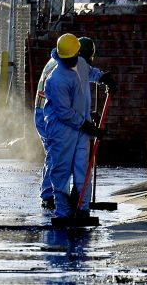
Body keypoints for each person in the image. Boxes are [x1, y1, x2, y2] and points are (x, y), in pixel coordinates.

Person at [42, 33, 116, 222]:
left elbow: (90, 72)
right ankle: (63, 212)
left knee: (83, 169)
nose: (71, 61)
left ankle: (82, 210)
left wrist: (103, 77)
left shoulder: (80, 64)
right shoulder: (56, 79)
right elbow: (65, 113)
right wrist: (88, 126)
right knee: (61, 170)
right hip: (62, 131)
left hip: (81, 129)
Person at [34, 36, 104, 210]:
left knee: (67, 157)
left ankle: (68, 199)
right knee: (55, 154)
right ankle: (49, 196)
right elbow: (63, 107)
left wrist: (86, 113)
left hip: (60, 114)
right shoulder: (58, 71)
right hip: (48, 115)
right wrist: (85, 122)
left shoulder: (69, 62)